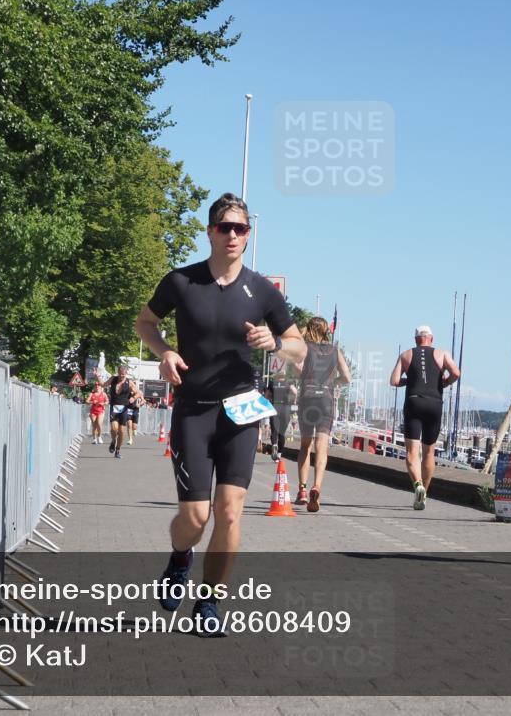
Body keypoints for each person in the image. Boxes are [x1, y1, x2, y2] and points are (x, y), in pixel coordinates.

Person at [135, 192, 305, 636]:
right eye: (225, 227)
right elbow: (144, 323)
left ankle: (209, 602)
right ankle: (180, 557)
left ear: (248, 235)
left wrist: (275, 343)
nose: (233, 235)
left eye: (240, 228)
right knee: (195, 517)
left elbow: (300, 348)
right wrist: (165, 351)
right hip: (193, 409)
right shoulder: (181, 281)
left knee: (229, 512)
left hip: (241, 410)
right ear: (210, 231)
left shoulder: (262, 290)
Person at [390, 325, 460, 510]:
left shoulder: (406, 355)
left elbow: (394, 381)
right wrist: (445, 383)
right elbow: (456, 373)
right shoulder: (442, 353)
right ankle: (424, 494)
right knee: (429, 452)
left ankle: (418, 485)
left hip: (414, 402)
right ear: (432, 338)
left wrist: (409, 381)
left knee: (412, 452)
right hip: (434, 404)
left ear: (415, 340)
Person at [293, 317, 351, 512]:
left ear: (310, 329)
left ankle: (302, 490)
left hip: (307, 398)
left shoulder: (305, 348)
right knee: (321, 447)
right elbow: (347, 377)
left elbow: (297, 368)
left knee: (305, 445)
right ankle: (316, 486)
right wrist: (333, 383)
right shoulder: (335, 350)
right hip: (326, 400)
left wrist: (304, 376)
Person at [106, 365, 137, 458]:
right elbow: (103, 384)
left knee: (122, 432)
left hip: (124, 409)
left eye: (123, 374)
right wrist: (97, 376)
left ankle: (118, 450)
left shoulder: (129, 382)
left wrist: (133, 398)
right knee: (114, 429)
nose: (121, 376)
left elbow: (138, 392)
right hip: (114, 407)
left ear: (126, 373)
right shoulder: (113, 379)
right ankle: (113, 441)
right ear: (118, 372)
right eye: (120, 374)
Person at [265, 374, 297, 463]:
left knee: (274, 431)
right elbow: (295, 392)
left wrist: (271, 399)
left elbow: (266, 396)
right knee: (282, 433)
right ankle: (279, 454)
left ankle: (274, 445)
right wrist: (293, 401)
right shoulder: (288, 382)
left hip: (275, 407)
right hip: (285, 408)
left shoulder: (272, 383)